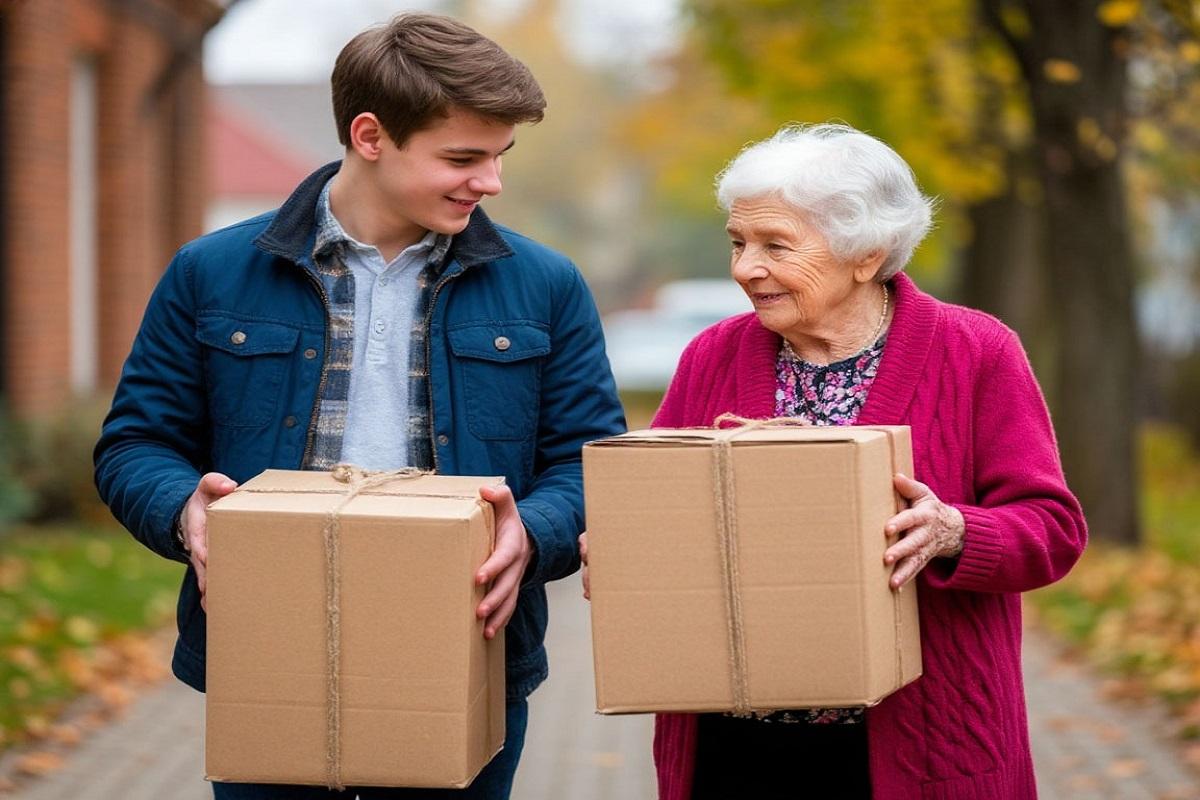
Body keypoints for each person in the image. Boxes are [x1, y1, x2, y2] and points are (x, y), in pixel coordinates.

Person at [94, 12, 624, 799]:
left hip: (470, 650)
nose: (491, 182)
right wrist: (187, 514)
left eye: (500, 157)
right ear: (371, 136)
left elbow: (590, 463)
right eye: (463, 158)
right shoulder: (210, 273)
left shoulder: (545, 287)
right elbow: (134, 444)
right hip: (269, 650)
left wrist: (534, 534)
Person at [581, 123, 1086, 799]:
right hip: (735, 741)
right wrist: (624, 552)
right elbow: (653, 502)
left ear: (866, 254)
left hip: (917, 739)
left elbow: (1052, 529)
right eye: (738, 243)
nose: (744, 268)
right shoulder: (713, 355)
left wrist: (952, 532)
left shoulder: (976, 351)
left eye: (775, 246)